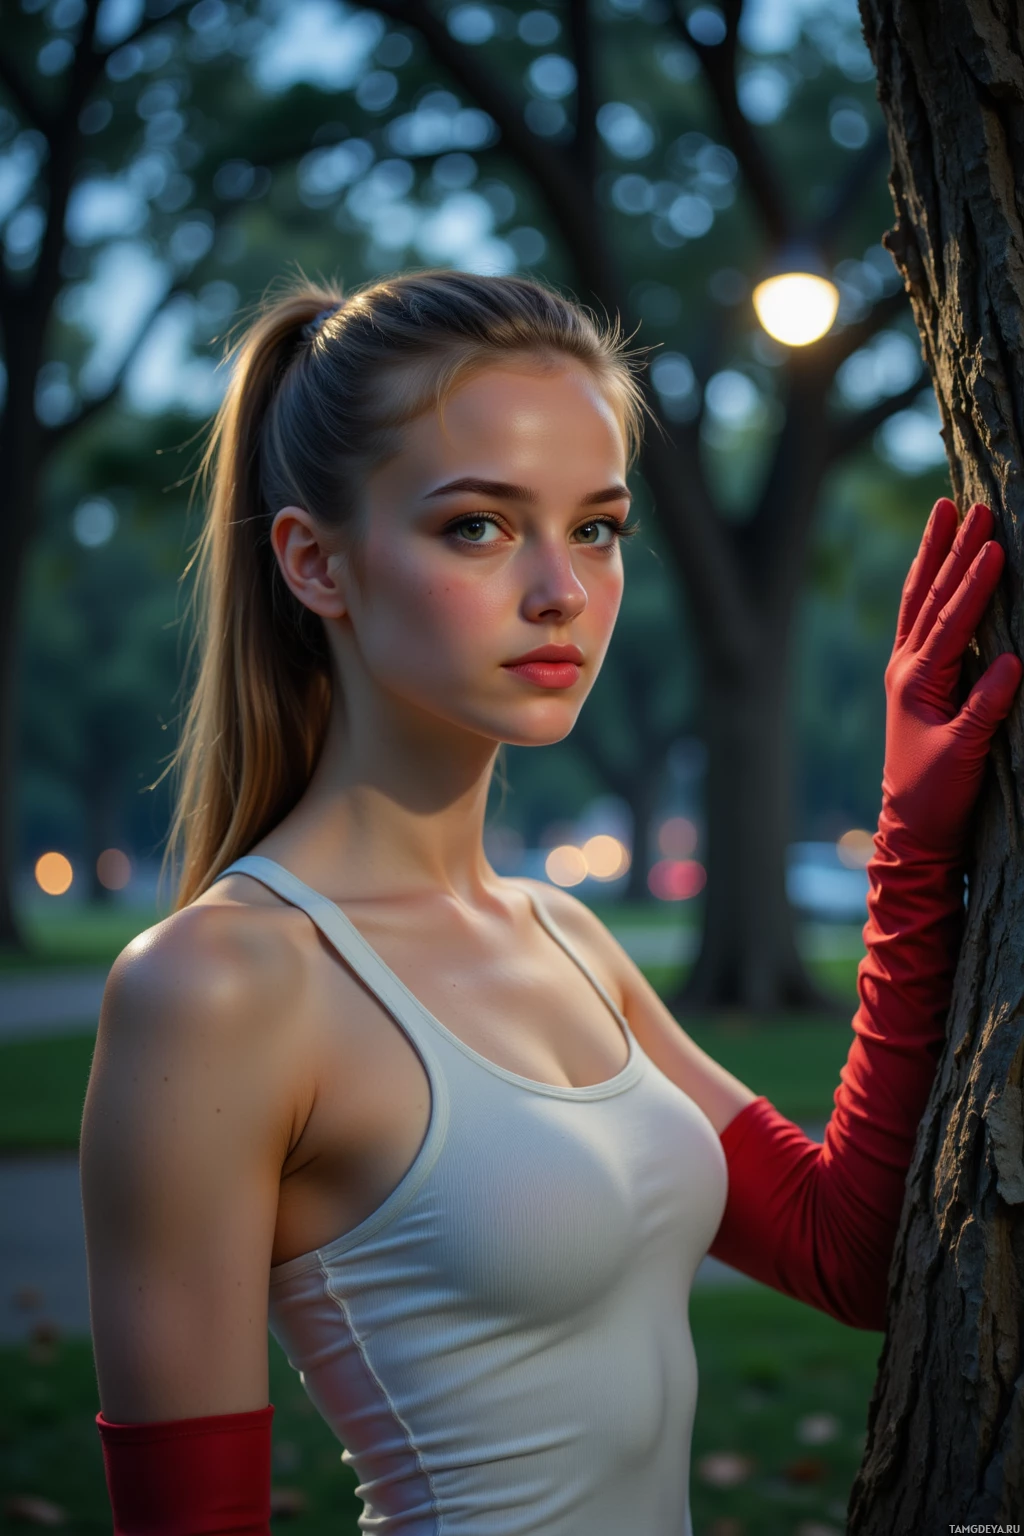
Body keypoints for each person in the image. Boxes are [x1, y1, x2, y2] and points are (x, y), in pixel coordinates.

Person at [80, 269, 1021, 1536]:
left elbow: (843, 1252)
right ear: (316, 563)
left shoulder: (565, 937)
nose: (561, 592)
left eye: (597, 527)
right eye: (477, 525)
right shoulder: (219, 986)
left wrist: (911, 840)